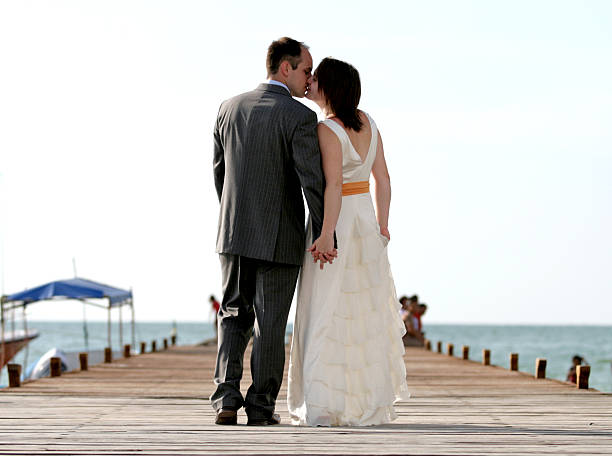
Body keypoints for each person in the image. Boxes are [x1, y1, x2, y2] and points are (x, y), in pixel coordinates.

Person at [211, 37, 336, 426]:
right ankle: (261, 407)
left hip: (232, 232)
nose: (308, 78)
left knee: (232, 313)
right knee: (270, 322)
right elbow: (312, 181)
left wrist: (234, 217)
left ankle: (226, 399)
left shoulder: (227, 108)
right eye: (305, 69)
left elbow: (220, 174)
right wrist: (323, 232)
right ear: (286, 68)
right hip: (279, 235)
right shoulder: (299, 117)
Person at [288, 57, 409, 426]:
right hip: (366, 224)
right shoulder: (369, 122)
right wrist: (383, 225)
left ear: (330, 87)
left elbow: (334, 186)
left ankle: (324, 404)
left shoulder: (327, 129)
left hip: (337, 220)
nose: (311, 82)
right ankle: (365, 401)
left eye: (316, 79)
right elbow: (383, 179)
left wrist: (326, 234)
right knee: (364, 312)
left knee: (325, 307)